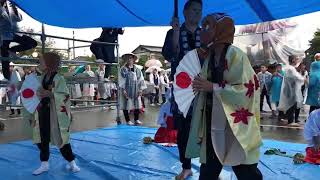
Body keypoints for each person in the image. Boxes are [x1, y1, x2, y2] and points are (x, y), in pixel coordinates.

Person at [186, 13, 262, 180]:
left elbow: (245, 90)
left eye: (207, 26)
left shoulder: (236, 55)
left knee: (244, 167)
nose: (202, 31)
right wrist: (200, 87)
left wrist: (211, 87)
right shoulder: (210, 57)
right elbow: (206, 85)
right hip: (213, 119)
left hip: (235, 121)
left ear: (221, 30)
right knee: (209, 167)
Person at [162, 0, 202, 178]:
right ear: (185, 12)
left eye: (199, 10)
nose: (197, 13)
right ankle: (186, 166)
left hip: (203, 87)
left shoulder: (205, 33)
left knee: (207, 128)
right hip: (182, 89)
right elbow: (170, 55)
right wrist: (177, 32)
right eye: (194, 10)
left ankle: (210, 168)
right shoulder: (173, 32)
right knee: (184, 129)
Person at [22, 52, 80, 175]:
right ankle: (44, 163)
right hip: (42, 111)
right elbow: (35, 90)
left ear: (49, 63)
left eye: (42, 61)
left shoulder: (59, 78)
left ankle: (71, 161)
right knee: (42, 137)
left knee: (61, 137)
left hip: (55, 114)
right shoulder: (41, 76)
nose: (40, 63)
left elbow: (65, 95)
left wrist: (52, 94)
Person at [0, 0, 37, 80]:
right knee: (5, 60)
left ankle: (12, 49)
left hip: (15, 34)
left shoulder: (10, 6)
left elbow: (19, 18)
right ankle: (7, 80)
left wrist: (14, 7)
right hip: (3, 36)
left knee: (33, 43)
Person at [119, 53, 146, 125]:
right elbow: (121, 80)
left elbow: (141, 79)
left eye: (131, 58)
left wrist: (141, 89)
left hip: (136, 88)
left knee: (137, 104)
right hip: (126, 88)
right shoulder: (123, 69)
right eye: (127, 58)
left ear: (133, 59)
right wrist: (123, 89)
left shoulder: (137, 69)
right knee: (125, 104)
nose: (129, 59)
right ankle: (127, 120)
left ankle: (136, 119)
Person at [278, 55, 306, 126]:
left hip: (289, 88)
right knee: (291, 104)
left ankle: (288, 119)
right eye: (296, 59)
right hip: (290, 89)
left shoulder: (289, 68)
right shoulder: (291, 68)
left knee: (290, 104)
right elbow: (296, 77)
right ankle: (290, 121)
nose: (297, 61)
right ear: (293, 60)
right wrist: (304, 79)